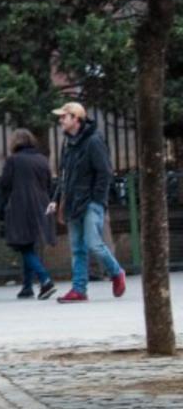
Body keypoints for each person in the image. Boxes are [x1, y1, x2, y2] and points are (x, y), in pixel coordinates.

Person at [48, 102, 127, 303]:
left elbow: (105, 172)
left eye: (64, 116)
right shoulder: (68, 143)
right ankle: (79, 289)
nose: (60, 120)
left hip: (90, 202)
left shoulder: (93, 141)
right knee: (77, 248)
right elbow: (64, 175)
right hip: (73, 202)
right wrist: (55, 200)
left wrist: (97, 200)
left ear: (76, 118)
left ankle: (116, 272)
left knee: (94, 243)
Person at [0, 129, 56, 301]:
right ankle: (27, 286)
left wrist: (2, 207)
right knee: (29, 246)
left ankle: (45, 279)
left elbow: (5, 184)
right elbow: (49, 183)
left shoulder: (13, 161)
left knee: (23, 246)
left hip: (20, 207)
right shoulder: (42, 159)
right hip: (41, 206)